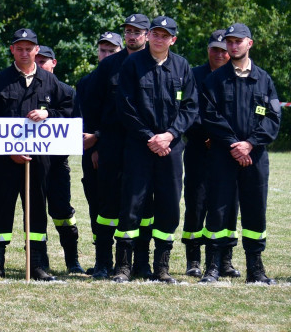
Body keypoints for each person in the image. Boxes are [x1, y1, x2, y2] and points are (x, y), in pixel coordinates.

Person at [0, 28, 72, 281]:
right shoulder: (0, 80)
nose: (24, 53)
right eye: (19, 48)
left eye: (28, 48)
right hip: (5, 160)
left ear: (37, 50)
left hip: (40, 160)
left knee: (36, 210)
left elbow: (70, 111)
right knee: (0, 208)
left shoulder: (50, 81)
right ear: (12, 50)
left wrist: (49, 114)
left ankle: (37, 265)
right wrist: (10, 151)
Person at [112, 15, 197, 283]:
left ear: (173, 39)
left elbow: (191, 107)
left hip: (170, 149)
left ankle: (161, 267)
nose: (159, 39)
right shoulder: (132, 64)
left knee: (169, 206)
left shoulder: (183, 67)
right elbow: (125, 106)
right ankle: (124, 267)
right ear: (148, 36)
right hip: (139, 147)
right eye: (156, 34)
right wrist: (150, 137)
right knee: (131, 205)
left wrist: (169, 135)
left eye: (165, 35)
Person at [199, 23, 281, 284]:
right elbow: (210, 116)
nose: (232, 46)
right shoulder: (215, 79)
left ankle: (255, 269)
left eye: (238, 41)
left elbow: (273, 117)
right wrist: (235, 144)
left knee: (255, 210)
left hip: (254, 157)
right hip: (223, 155)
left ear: (249, 44)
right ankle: (212, 266)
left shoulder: (264, 79)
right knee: (218, 209)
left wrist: (250, 144)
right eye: (229, 42)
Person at [83, 14, 150, 279]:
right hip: (111, 146)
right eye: (129, 31)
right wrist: (95, 143)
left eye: (138, 31)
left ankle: (140, 263)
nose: (132, 36)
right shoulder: (109, 66)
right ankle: (103, 262)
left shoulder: (154, 64)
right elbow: (91, 106)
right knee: (107, 207)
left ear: (147, 35)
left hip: (144, 147)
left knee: (143, 208)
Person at [180, 30, 230, 277]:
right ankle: (193, 259)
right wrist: (206, 134)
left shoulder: (235, 76)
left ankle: (225, 259)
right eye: (215, 49)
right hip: (199, 148)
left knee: (226, 205)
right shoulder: (194, 75)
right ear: (207, 49)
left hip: (227, 151)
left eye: (224, 49)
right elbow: (189, 111)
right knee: (196, 204)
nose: (219, 54)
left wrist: (223, 137)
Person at [75, 31, 122, 274]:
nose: (105, 55)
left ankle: (126, 262)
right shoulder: (85, 82)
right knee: (97, 207)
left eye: (111, 51)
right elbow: (80, 119)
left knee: (123, 208)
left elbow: (120, 119)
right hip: (89, 153)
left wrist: (99, 143)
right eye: (102, 50)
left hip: (116, 151)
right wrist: (91, 147)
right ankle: (102, 260)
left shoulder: (126, 77)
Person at [33, 45, 83, 274]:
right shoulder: (28, 88)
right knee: (34, 214)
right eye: (38, 60)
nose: (41, 64)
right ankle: (38, 262)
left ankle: (72, 261)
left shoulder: (66, 91)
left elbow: (74, 122)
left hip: (56, 164)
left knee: (63, 213)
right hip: (31, 163)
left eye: (45, 61)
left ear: (54, 63)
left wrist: (49, 115)